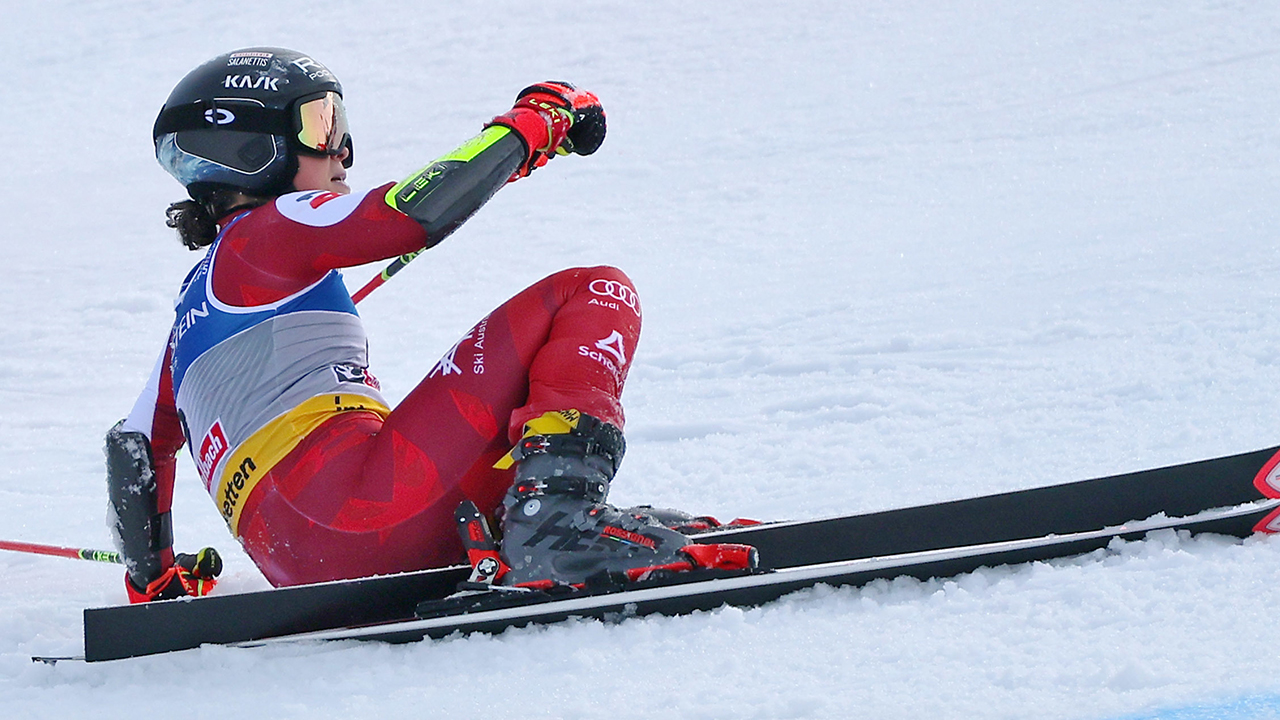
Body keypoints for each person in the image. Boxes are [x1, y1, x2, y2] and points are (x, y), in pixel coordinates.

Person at [105, 47, 754, 603]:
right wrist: (534, 125)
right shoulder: (272, 229)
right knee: (592, 292)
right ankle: (553, 524)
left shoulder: (188, 319)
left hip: (312, 564)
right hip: (370, 511)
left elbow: (133, 449)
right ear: (251, 149)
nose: (344, 149)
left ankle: (545, 518)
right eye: (321, 123)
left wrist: (156, 587)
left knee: (470, 420)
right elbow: (413, 214)